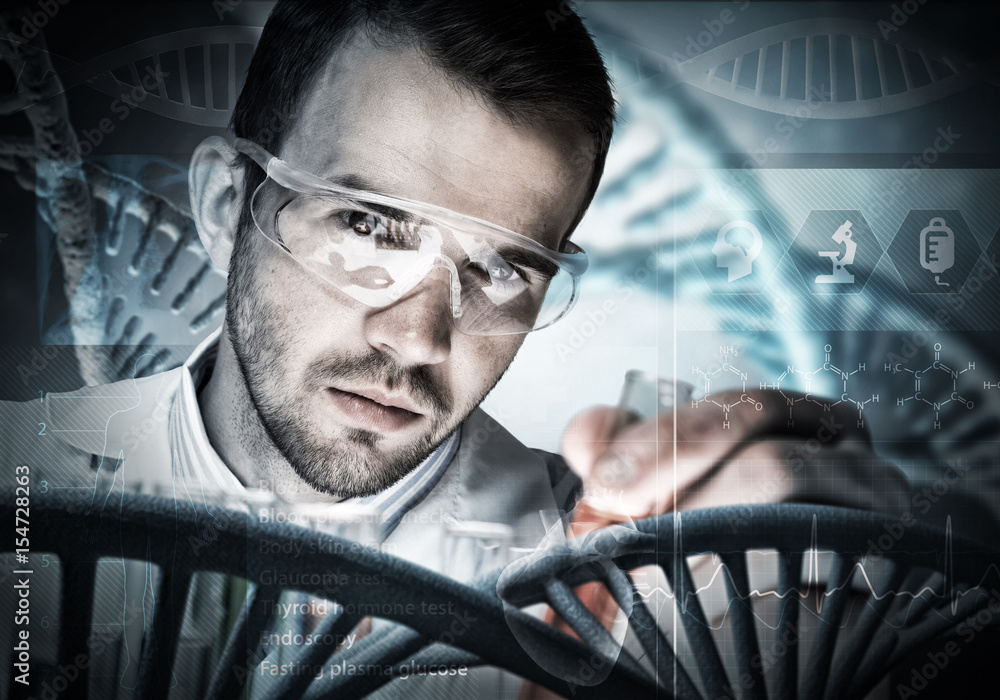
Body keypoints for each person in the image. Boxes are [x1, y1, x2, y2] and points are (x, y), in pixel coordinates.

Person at [0, 1, 912, 697]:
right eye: (368, 225)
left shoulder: (621, 577)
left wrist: (845, 589)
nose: (418, 338)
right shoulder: (18, 484)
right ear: (222, 208)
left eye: (504, 270)